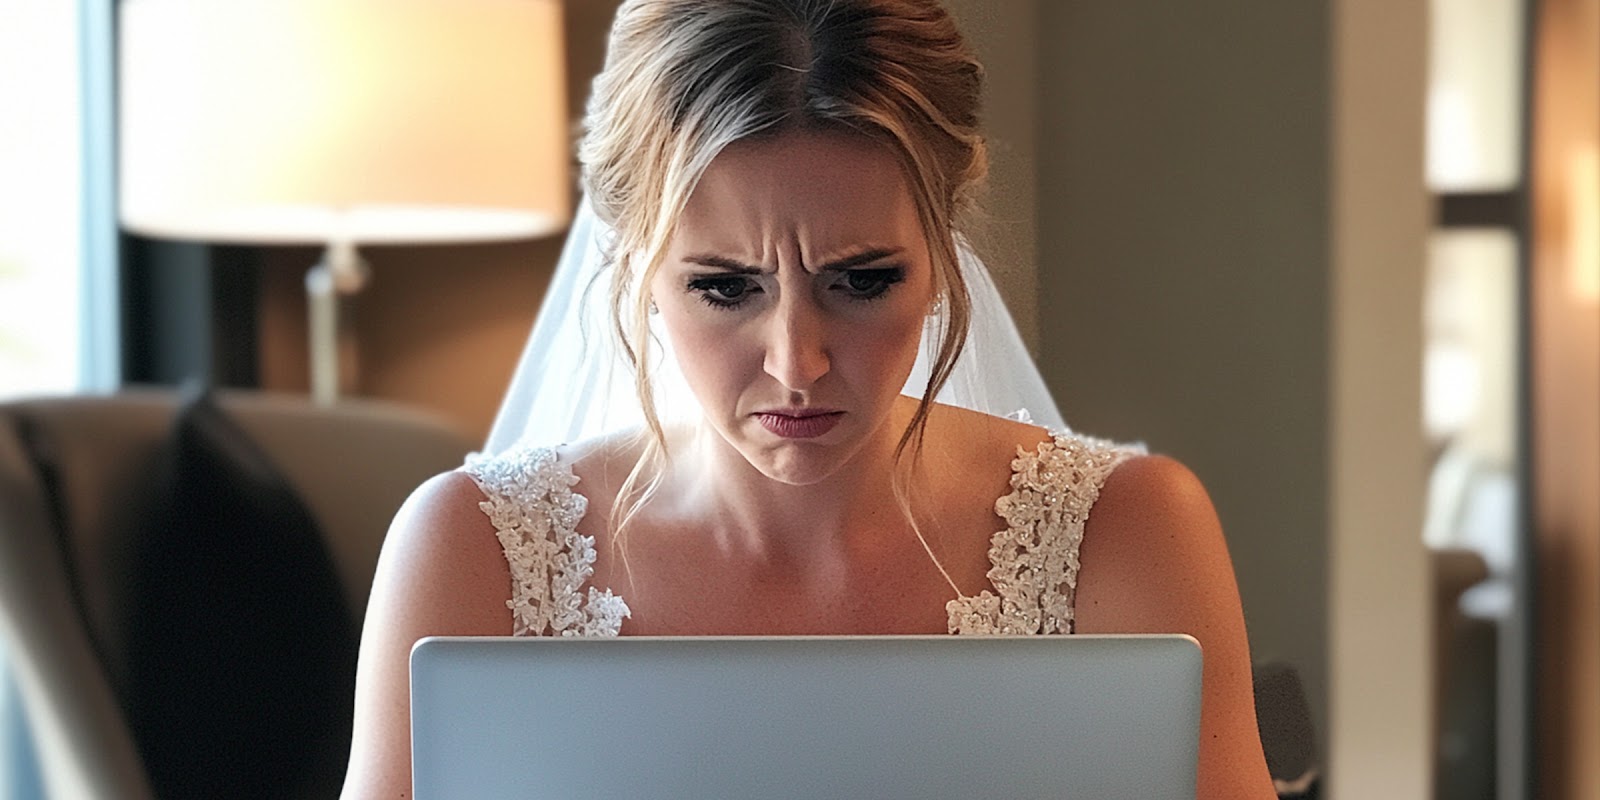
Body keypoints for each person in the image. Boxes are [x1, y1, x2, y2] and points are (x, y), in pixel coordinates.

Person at [340, 1, 1276, 797]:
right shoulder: (472, 548)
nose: (798, 362)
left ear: (944, 255)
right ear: (637, 267)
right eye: (724, 286)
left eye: (860, 280)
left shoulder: (1128, 530)